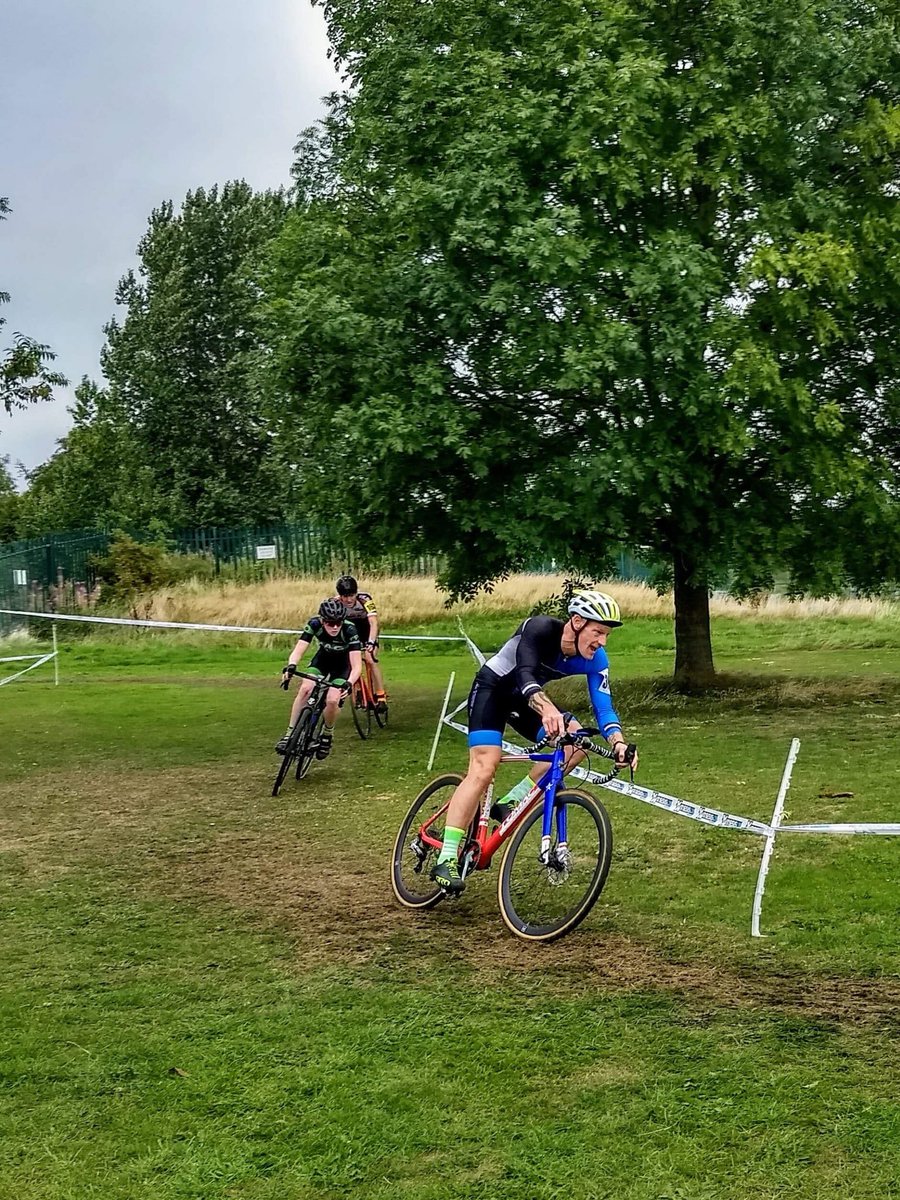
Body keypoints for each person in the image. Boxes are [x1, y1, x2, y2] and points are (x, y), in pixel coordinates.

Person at [431, 589, 639, 894]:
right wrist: (547, 708)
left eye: (606, 634)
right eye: (598, 632)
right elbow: (525, 675)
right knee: (484, 767)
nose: (602, 642)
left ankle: (511, 800)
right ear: (577, 622)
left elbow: (604, 707)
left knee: (576, 744)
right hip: (493, 691)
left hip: (525, 701)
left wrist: (619, 743)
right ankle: (446, 857)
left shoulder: (596, 659)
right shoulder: (540, 629)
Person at [275, 598, 363, 759]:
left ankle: (327, 734)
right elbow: (298, 650)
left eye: (338, 622)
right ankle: (289, 734)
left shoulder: (350, 630)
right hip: (322, 660)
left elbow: (357, 665)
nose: (335, 627)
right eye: (330, 623)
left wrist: (349, 683)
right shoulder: (314, 624)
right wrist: (291, 665)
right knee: (305, 689)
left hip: (343, 666)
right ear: (322, 621)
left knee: (332, 700)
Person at [334, 575, 388, 713]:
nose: (349, 599)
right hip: (350, 632)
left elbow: (373, 623)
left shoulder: (365, 599)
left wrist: (371, 642)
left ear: (356, 593)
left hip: (367, 630)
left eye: (351, 595)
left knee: (370, 659)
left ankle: (381, 696)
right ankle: (358, 689)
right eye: (345, 596)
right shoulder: (335, 603)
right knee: (352, 661)